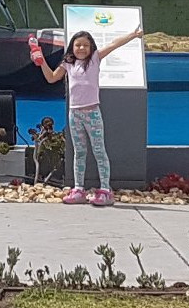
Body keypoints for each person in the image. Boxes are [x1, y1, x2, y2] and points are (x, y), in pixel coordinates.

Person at [29, 26, 144, 206]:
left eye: (85, 45)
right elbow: (51, 78)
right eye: (77, 45)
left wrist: (133, 35)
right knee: (79, 152)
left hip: (92, 113)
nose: (81, 48)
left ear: (91, 48)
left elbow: (114, 44)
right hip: (74, 114)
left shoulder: (95, 59)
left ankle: (105, 189)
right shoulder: (67, 63)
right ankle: (79, 189)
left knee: (99, 151)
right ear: (72, 47)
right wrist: (41, 61)